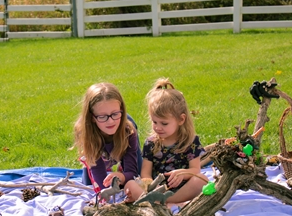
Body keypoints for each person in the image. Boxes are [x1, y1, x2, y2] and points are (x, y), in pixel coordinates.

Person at [124, 78, 207, 207]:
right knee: (130, 184)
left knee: (202, 180)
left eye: (164, 123)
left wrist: (182, 174)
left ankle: (166, 203)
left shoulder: (190, 142)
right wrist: (150, 184)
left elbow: (196, 170)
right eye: (154, 122)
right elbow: (145, 172)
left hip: (182, 189)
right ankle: (164, 202)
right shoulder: (151, 143)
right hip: (156, 189)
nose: (158, 127)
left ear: (181, 119)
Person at [73, 83, 141, 192]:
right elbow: (99, 176)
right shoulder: (86, 133)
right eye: (102, 116)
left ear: (121, 110)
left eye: (115, 113)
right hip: (97, 154)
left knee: (138, 178)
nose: (110, 121)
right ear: (92, 117)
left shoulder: (128, 130)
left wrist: (122, 177)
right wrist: (107, 193)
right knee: (89, 186)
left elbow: (132, 172)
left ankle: (120, 168)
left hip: (123, 140)